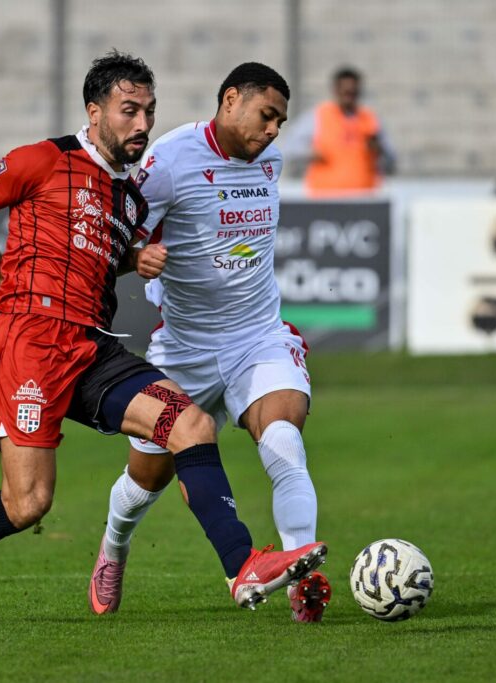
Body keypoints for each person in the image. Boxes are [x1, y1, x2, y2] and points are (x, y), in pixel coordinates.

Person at [0, 51, 327, 623]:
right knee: (29, 504)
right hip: (29, 344)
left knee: (191, 424)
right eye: (128, 110)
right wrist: (1, 270)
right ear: (95, 111)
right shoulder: (44, 159)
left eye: (149, 112)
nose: (141, 124)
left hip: (93, 345)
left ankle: (244, 565)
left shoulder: (127, 196)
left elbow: (97, 261)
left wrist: (136, 257)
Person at [88, 62, 332, 623]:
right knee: (143, 484)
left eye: (281, 121)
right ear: (230, 101)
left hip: (257, 337)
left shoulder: (268, 159)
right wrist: (135, 259)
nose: (274, 131)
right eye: (266, 115)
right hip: (185, 348)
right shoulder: (168, 162)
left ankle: (302, 573)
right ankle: (112, 548)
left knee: (284, 438)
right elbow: (112, 235)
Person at [281, 65, 395, 196]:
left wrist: (378, 150)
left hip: (364, 198)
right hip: (325, 198)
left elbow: (391, 159)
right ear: (336, 90)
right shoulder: (317, 116)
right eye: (345, 92)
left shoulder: (371, 119)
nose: (349, 97)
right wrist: (310, 153)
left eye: (353, 93)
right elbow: (288, 147)